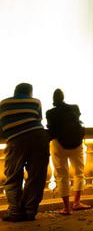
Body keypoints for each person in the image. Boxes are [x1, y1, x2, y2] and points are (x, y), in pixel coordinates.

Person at [1, 83, 49, 222]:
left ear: (15, 92)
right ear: (30, 93)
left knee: (13, 176)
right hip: (39, 137)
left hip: (16, 140)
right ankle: (29, 211)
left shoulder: (3, 103)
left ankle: (15, 212)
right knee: (36, 176)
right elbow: (38, 119)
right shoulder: (35, 102)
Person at [46, 89, 90, 215]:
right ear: (63, 97)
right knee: (79, 173)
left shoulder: (50, 113)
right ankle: (76, 202)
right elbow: (78, 119)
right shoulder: (74, 108)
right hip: (76, 143)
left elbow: (50, 128)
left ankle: (66, 208)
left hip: (58, 145)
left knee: (62, 175)